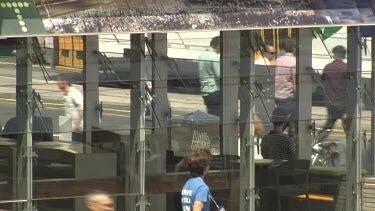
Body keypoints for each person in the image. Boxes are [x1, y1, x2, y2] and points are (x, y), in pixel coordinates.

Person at [320, 46, 349, 134]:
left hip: (330, 101)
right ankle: (351, 144)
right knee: (348, 126)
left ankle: (318, 139)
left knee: (330, 123)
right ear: (344, 55)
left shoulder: (328, 67)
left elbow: (323, 79)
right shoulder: (346, 68)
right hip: (343, 102)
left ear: (334, 54)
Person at [274, 38, 297, 138]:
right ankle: (283, 139)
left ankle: (277, 136)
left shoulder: (278, 60)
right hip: (288, 95)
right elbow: (294, 80)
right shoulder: (294, 61)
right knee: (291, 120)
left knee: (284, 119)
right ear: (293, 48)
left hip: (278, 94)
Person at [198, 36, 221, 117]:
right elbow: (219, 76)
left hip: (205, 91)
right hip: (214, 91)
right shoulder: (214, 57)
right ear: (218, 46)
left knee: (211, 115)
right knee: (217, 116)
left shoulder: (202, 55)